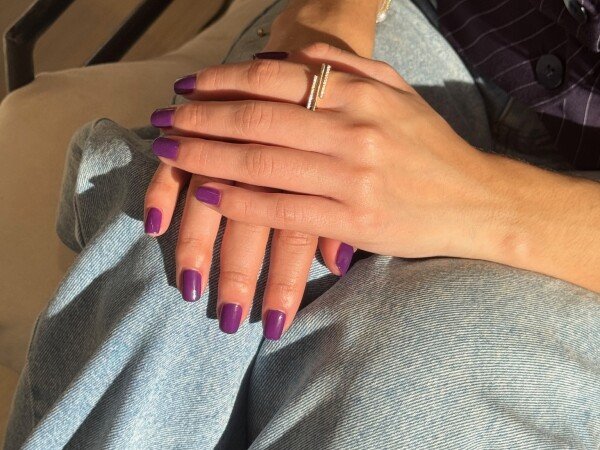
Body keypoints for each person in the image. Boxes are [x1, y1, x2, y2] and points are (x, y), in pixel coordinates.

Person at [3, 0, 600, 448]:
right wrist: (326, 15)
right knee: (190, 245)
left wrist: (480, 200)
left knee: (421, 358)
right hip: (449, 20)